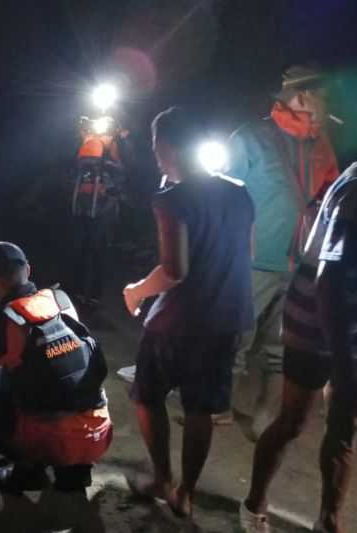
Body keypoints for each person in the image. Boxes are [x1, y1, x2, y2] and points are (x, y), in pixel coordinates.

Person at [122, 107, 255, 518]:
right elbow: (246, 254)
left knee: (146, 395)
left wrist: (136, 291)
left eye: (156, 146)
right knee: (201, 408)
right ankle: (187, 492)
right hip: (228, 317)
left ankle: (163, 477)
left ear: (166, 147)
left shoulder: (172, 200)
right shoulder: (239, 192)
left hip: (180, 323)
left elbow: (174, 271)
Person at [239, 161, 357, 533]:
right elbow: (329, 279)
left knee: (344, 428)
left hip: (355, 320)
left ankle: (328, 522)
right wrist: (342, 362)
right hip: (317, 317)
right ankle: (253, 502)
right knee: (293, 421)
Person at [0, 241, 113, 494]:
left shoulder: (7, 324)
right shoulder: (60, 299)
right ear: (28, 271)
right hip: (98, 433)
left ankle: (27, 470)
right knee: (57, 379)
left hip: (54, 442)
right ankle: (75, 470)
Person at [227, 65, 340, 434]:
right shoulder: (251, 138)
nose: (326, 104)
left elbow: (331, 197)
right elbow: (221, 196)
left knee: (281, 350)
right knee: (234, 339)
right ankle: (215, 407)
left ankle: (265, 420)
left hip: (299, 265)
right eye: (321, 95)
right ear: (301, 97)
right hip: (252, 260)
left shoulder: (322, 147)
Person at [69, 116, 126, 306]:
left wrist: (108, 175)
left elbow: (122, 171)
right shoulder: (85, 141)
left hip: (102, 206)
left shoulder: (112, 144)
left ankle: (94, 294)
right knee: (78, 248)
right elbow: (72, 166)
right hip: (81, 204)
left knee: (97, 250)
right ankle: (75, 290)